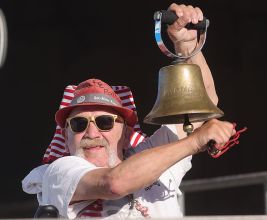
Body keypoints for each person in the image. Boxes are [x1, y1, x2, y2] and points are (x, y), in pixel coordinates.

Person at [22, 3, 239, 219]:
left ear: (126, 132)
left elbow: (202, 104)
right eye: (79, 124)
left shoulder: (153, 153)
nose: (91, 133)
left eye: (105, 122)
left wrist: (186, 44)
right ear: (65, 134)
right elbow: (114, 183)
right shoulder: (59, 172)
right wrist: (194, 142)